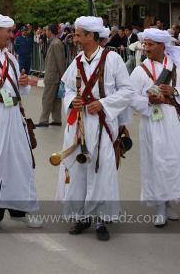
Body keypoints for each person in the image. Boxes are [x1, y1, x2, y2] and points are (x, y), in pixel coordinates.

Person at [56, 16, 134, 241]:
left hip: (101, 124)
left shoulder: (113, 59)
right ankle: (81, 217)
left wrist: (104, 103)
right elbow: (68, 88)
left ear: (91, 36)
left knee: (101, 171)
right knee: (78, 170)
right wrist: (73, 100)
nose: (75, 37)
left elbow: (127, 91)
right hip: (79, 125)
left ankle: (101, 220)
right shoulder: (78, 60)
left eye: (79, 34)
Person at [0, 14, 42, 231]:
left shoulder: (11, 58)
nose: (11, 34)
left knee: (19, 162)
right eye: (9, 30)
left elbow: (17, 90)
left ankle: (21, 211)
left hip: (13, 117)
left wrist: (23, 84)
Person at [130, 28, 180, 227]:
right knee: (156, 161)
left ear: (162, 46)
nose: (146, 48)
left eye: (150, 45)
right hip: (152, 122)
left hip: (174, 121)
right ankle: (160, 206)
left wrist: (174, 90)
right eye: (145, 44)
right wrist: (149, 101)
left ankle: (170, 203)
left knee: (173, 161)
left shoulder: (175, 67)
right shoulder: (140, 70)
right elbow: (131, 97)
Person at [36, 24, 66, 127]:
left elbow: (60, 61)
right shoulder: (55, 43)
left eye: (46, 30)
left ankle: (44, 120)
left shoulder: (55, 44)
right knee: (55, 99)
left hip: (53, 76)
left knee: (47, 98)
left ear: (50, 31)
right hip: (54, 75)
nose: (45, 32)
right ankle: (57, 119)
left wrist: (63, 76)